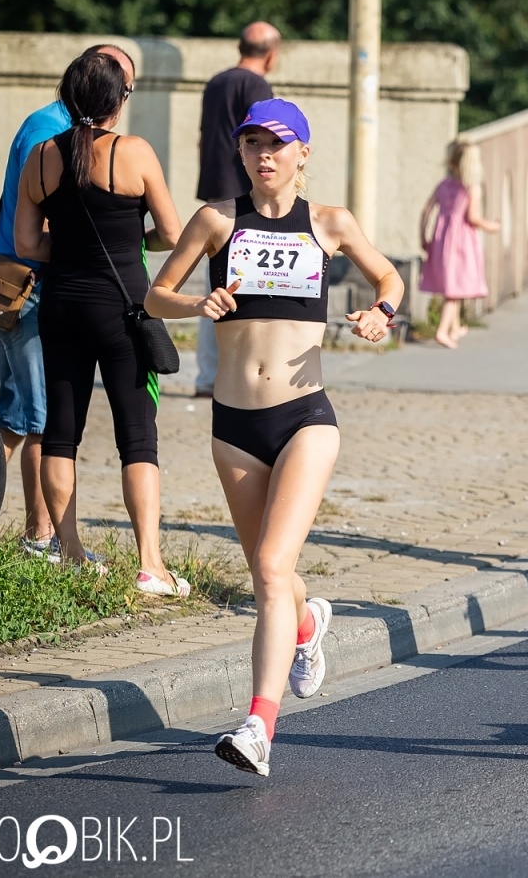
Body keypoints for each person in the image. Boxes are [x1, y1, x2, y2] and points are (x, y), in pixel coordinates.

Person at [145, 98, 404, 777]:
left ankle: (258, 726)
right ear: (241, 152)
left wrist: (382, 314)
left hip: (303, 419)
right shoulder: (216, 220)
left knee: (267, 568)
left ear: (303, 154)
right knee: (273, 571)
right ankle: (309, 624)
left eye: (279, 144)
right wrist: (193, 303)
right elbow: (154, 296)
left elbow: (390, 277)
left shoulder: (328, 223)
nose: (265, 155)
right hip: (233, 426)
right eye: (254, 142)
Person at [13, 50, 187, 596]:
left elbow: (26, 243)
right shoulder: (134, 153)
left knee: (61, 431)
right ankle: (150, 565)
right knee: (137, 436)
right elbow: (172, 232)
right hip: (123, 308)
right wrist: (132, 239)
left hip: (62, 304)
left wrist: (66, 246)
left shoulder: (42, 156)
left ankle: (68, 551)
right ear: (120, 101)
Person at [0, 44, 135, 561]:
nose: (123, 100)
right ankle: (42, 538)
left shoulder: (53, 125)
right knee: (41, 420)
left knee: (11, 417)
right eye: (123, 90)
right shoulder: (51, 133)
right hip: (30, 286)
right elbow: (37, 218)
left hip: (25, 279)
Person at [194, 21, 280, 398]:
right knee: (241, 286)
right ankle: (222, 376)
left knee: (214, 283)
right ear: (272, 55)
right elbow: (268, 144)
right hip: (243, 198)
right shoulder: (257, 86)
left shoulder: (216, 82)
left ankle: (207, 374)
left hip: (214, 192)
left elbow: (202, 139)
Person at [420, 140, 500, 347]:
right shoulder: (471, 188)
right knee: (454, 289)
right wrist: (491, 226)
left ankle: (455, 327)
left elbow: (426, 211)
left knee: (453, 282)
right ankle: (442, 331)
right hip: (461, 241)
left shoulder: (444, 184)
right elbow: (473, 217)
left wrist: (423, 236)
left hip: (441, 238)